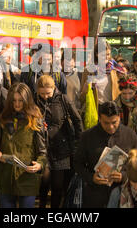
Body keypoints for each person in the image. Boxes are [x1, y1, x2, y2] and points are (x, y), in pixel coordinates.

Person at [74, 101, 137, 208]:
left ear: (119, 117)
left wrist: (124, 176)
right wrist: (91, 177)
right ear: (99, 119)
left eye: (114, 122)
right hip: (95, 196)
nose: (111, 127)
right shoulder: (87, 136)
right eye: (106, 123)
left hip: (124, 196)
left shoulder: (130, 135)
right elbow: (77, 164)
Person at [0, 83, 47, 208]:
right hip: (5, 178)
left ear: (27, 100)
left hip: (27, 178)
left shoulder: (35, 120)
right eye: (14, 101)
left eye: (21, 101)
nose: (17, 104)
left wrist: (39, 165)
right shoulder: (3, 119)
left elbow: (42, 153)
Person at [35, 75, 83, 208]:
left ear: (54, 88)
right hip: (42, 147)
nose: (45, 96)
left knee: (57, 186)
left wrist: (78, 142)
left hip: (61, 148)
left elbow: (77, 120)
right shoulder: (34, 100)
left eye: (48, 93)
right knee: (43, 184)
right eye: (42, 93)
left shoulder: (63, 99)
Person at [80, 41, 121, 106]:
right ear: (96, 54)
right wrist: (87, 87)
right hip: (96, 108)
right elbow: (81, 97)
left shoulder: (115, 69)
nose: (106, 57)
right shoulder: (88, 70)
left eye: (108, 54)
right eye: (103, 55)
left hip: (113, 107)